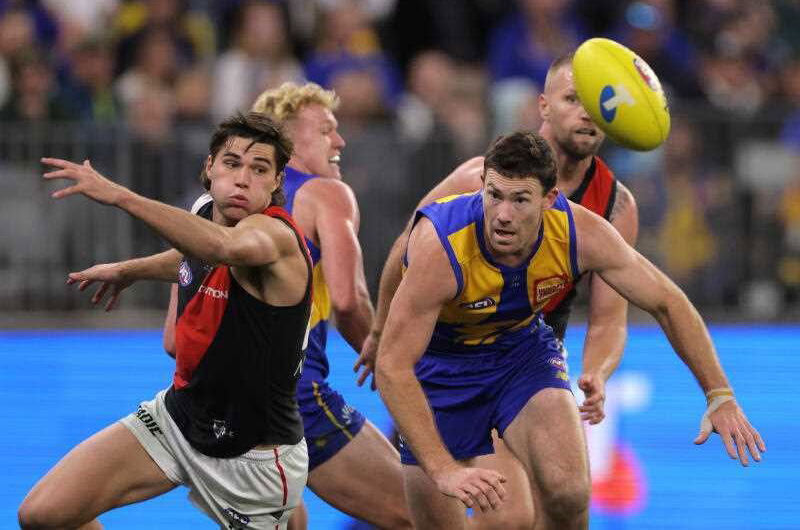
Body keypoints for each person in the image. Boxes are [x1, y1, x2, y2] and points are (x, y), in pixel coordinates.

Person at [374, 131, 765, 530]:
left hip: (519, 353)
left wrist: (719, 394)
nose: (503, 214)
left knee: (568, 491)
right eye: (494, 195)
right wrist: (442, 469)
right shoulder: (441, 246)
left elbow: (668, 302)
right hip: (439, 367)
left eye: (520, 199)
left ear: (549, 199)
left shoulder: (581, 232)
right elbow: (392, 366)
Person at [359, 52, 638, 527]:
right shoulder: (484, 178)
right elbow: (408, 249)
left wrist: (598, 370)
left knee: (536, 506)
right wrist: (381, 326)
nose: (585, 112)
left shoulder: (614, 206)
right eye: (573, 98)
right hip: (447, 361)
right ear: (544, 105)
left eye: (595, 102)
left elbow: (611, 315)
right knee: (464, 510)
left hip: (522, 364)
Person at [19, 112, 312, 529]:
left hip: (255, 459)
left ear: (277, 181)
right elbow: (193, 252)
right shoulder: (205, 212)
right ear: (209, 168)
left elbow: (220, 247)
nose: (243, 178)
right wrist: (131, 269)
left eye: (259, 169)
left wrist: (120, 195)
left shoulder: (275, 238)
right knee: (44, 515)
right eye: (232, 163)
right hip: (180, 419)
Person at [163, 82, 412, 529]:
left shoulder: (214, 211)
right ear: (291, 140)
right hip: (293, 401)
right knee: (418, 515)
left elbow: (172, 340)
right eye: (327, 129)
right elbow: (348, 300)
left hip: (217, 410)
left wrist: (127, 269)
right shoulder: (325, 195)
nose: (340, 141)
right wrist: (386, 355)